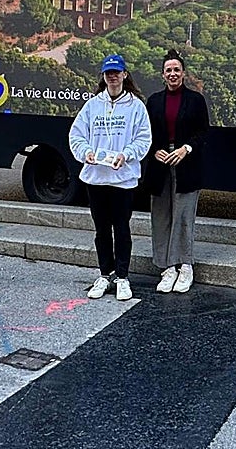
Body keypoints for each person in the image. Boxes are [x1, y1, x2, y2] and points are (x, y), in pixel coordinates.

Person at [68, 53, 152, 302]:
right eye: (108, 73)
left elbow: (143, 139)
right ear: (103, 77)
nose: (112, 76)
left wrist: (127, 155)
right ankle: (105, 274)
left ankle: (123, 277)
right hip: (96, 179)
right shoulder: (93, 105)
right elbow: (76, 135)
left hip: (122, 179)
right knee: (101, 230)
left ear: (125, 75)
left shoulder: (136, 106)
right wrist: (86, 152)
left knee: (122, 228)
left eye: (116, 72)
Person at [145, 48, 210, 294]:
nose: (173, 74)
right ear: (163, 75)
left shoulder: (195, 100)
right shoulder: (153, 101)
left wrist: (186, 149)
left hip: (186, 164)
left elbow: (203, 132)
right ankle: (167, 268)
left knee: (183, 216)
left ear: (183, 73)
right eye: (168, 70)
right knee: (161, 216)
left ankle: (185, 267)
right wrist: (154, 151)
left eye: (177, 70)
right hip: (159, 166)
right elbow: (145, 133)